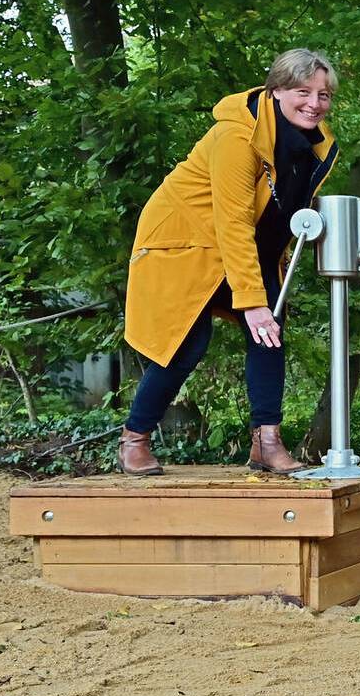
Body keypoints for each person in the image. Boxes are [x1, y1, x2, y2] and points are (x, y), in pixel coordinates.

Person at [117, 48, 340, 476]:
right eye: (303, 92)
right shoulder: (237, 137)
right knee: (187, 344)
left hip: (247, 248)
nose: (314, 103)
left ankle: (266, 443)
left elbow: (282, 206)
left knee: (269, 335)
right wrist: (252, 301)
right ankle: (134, 439)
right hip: (184, 245)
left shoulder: (313, 142)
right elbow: (232, 220)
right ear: (276, 91)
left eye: (324, 95)